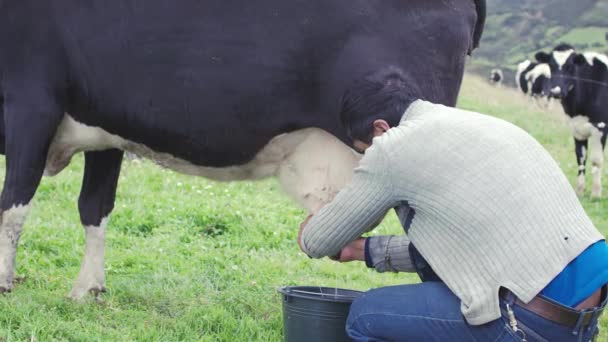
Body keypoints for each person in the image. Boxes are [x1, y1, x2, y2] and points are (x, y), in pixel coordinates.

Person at [297, 67, 608, 342]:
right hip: (581, 314)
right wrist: (361, 250)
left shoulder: (393, 146)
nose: (368, 158)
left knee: (365, 315)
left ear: (381, 129)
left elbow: (316, 241)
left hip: (528, 319)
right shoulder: (474, 125)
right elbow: (465, 246)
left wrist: (313, 225)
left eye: (364, 151)